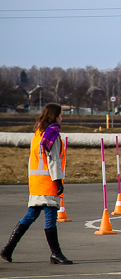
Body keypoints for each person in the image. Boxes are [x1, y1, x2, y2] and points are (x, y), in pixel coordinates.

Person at [1, 103, 73, 265]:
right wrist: (57, 180)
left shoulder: (38, 133)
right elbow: (53, 159)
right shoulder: (52, 134)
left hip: (35, 181)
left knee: (31, 214)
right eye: (61, 115)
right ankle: (56, 253)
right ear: (54, 116)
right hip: (47, 181)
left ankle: (8, 248)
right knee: (50, 216)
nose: (62, 118)